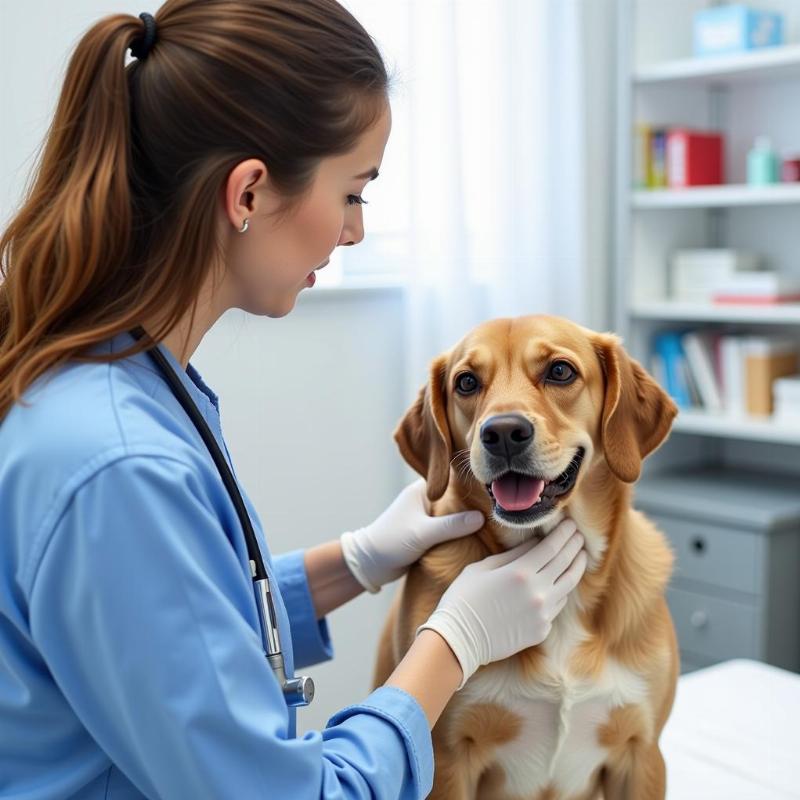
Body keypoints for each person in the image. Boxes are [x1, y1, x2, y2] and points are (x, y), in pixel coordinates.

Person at [0, 1, 588, 797]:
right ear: (247, 194)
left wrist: (351, 564)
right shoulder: (118, 463)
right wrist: (452, 642)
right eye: (354, 193)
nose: (353, 233)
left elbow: (169, 632)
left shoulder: (120, 386)